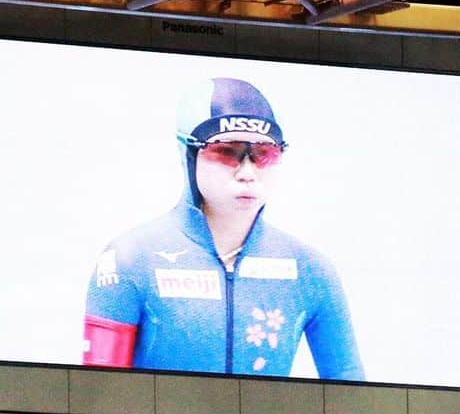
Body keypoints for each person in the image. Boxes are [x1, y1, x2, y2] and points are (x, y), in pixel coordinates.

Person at [82, 77, 364, 379]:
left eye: (263, 154)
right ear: (187, 154)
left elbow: (351, 396)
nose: (246, 172)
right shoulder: (128, 259)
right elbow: (96, 398)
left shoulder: (311, 270)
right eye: (226, 151)